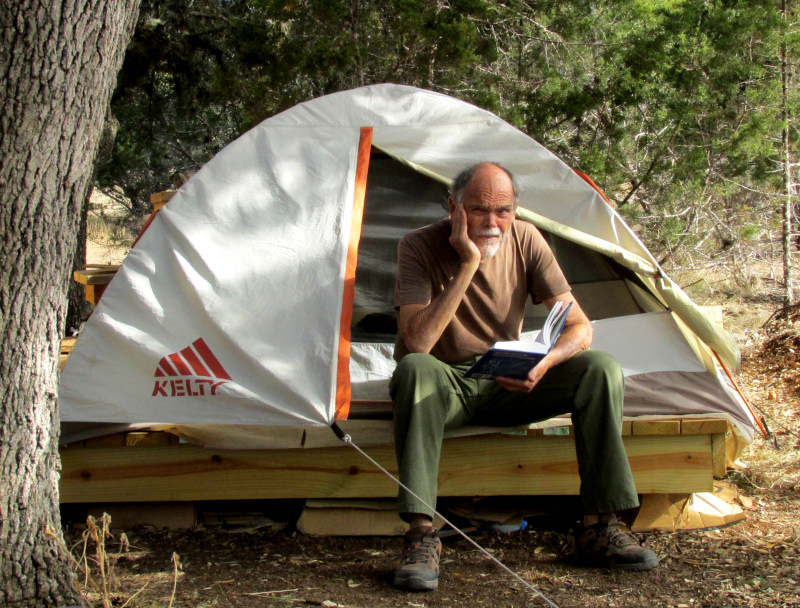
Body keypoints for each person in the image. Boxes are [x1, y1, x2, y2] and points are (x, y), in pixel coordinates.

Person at [390, 162, 658, 592]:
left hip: (506, 380)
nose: (492, 223)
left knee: (601, 368)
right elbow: (419, 342)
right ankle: (421, 534)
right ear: (453, 208)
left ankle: (598, 526)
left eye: (504, 211)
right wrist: (469, 262)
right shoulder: (417, 246)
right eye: (478, 210)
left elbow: (580, 327)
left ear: (516, 210)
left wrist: (544, 364)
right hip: (445, 385)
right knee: (414, 369)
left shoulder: (528, 238)